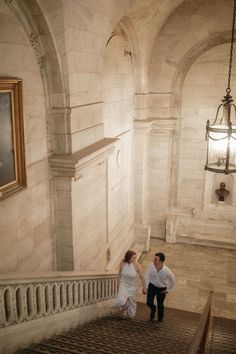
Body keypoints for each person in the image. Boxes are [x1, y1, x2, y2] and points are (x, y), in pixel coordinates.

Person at [112, 250, 147, 318]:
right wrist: (118, 282)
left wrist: (144, 287)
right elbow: (119, 273)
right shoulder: (122, 263)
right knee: (122, 299)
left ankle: (127, 309)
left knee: (131, 312)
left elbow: (142, 277)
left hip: (132, 286)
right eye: (133, 258)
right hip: (123, 284)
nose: (134, 259)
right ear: (128, 257)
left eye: (135, 258)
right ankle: (125, 311)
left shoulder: (137, 265)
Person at [146, 252, 175, 323]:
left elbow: (173, 280)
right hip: (152, 286)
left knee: (160, 304)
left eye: (156, 259)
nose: (153, 260)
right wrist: (146, 287)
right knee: (149, 302)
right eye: (154, 259)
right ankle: (153, 309)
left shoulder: (167, 271)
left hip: (161, 289)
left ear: (161, 261)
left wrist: (168, 290)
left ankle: (160, 319)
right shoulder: (151, 266)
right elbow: (147, 276)